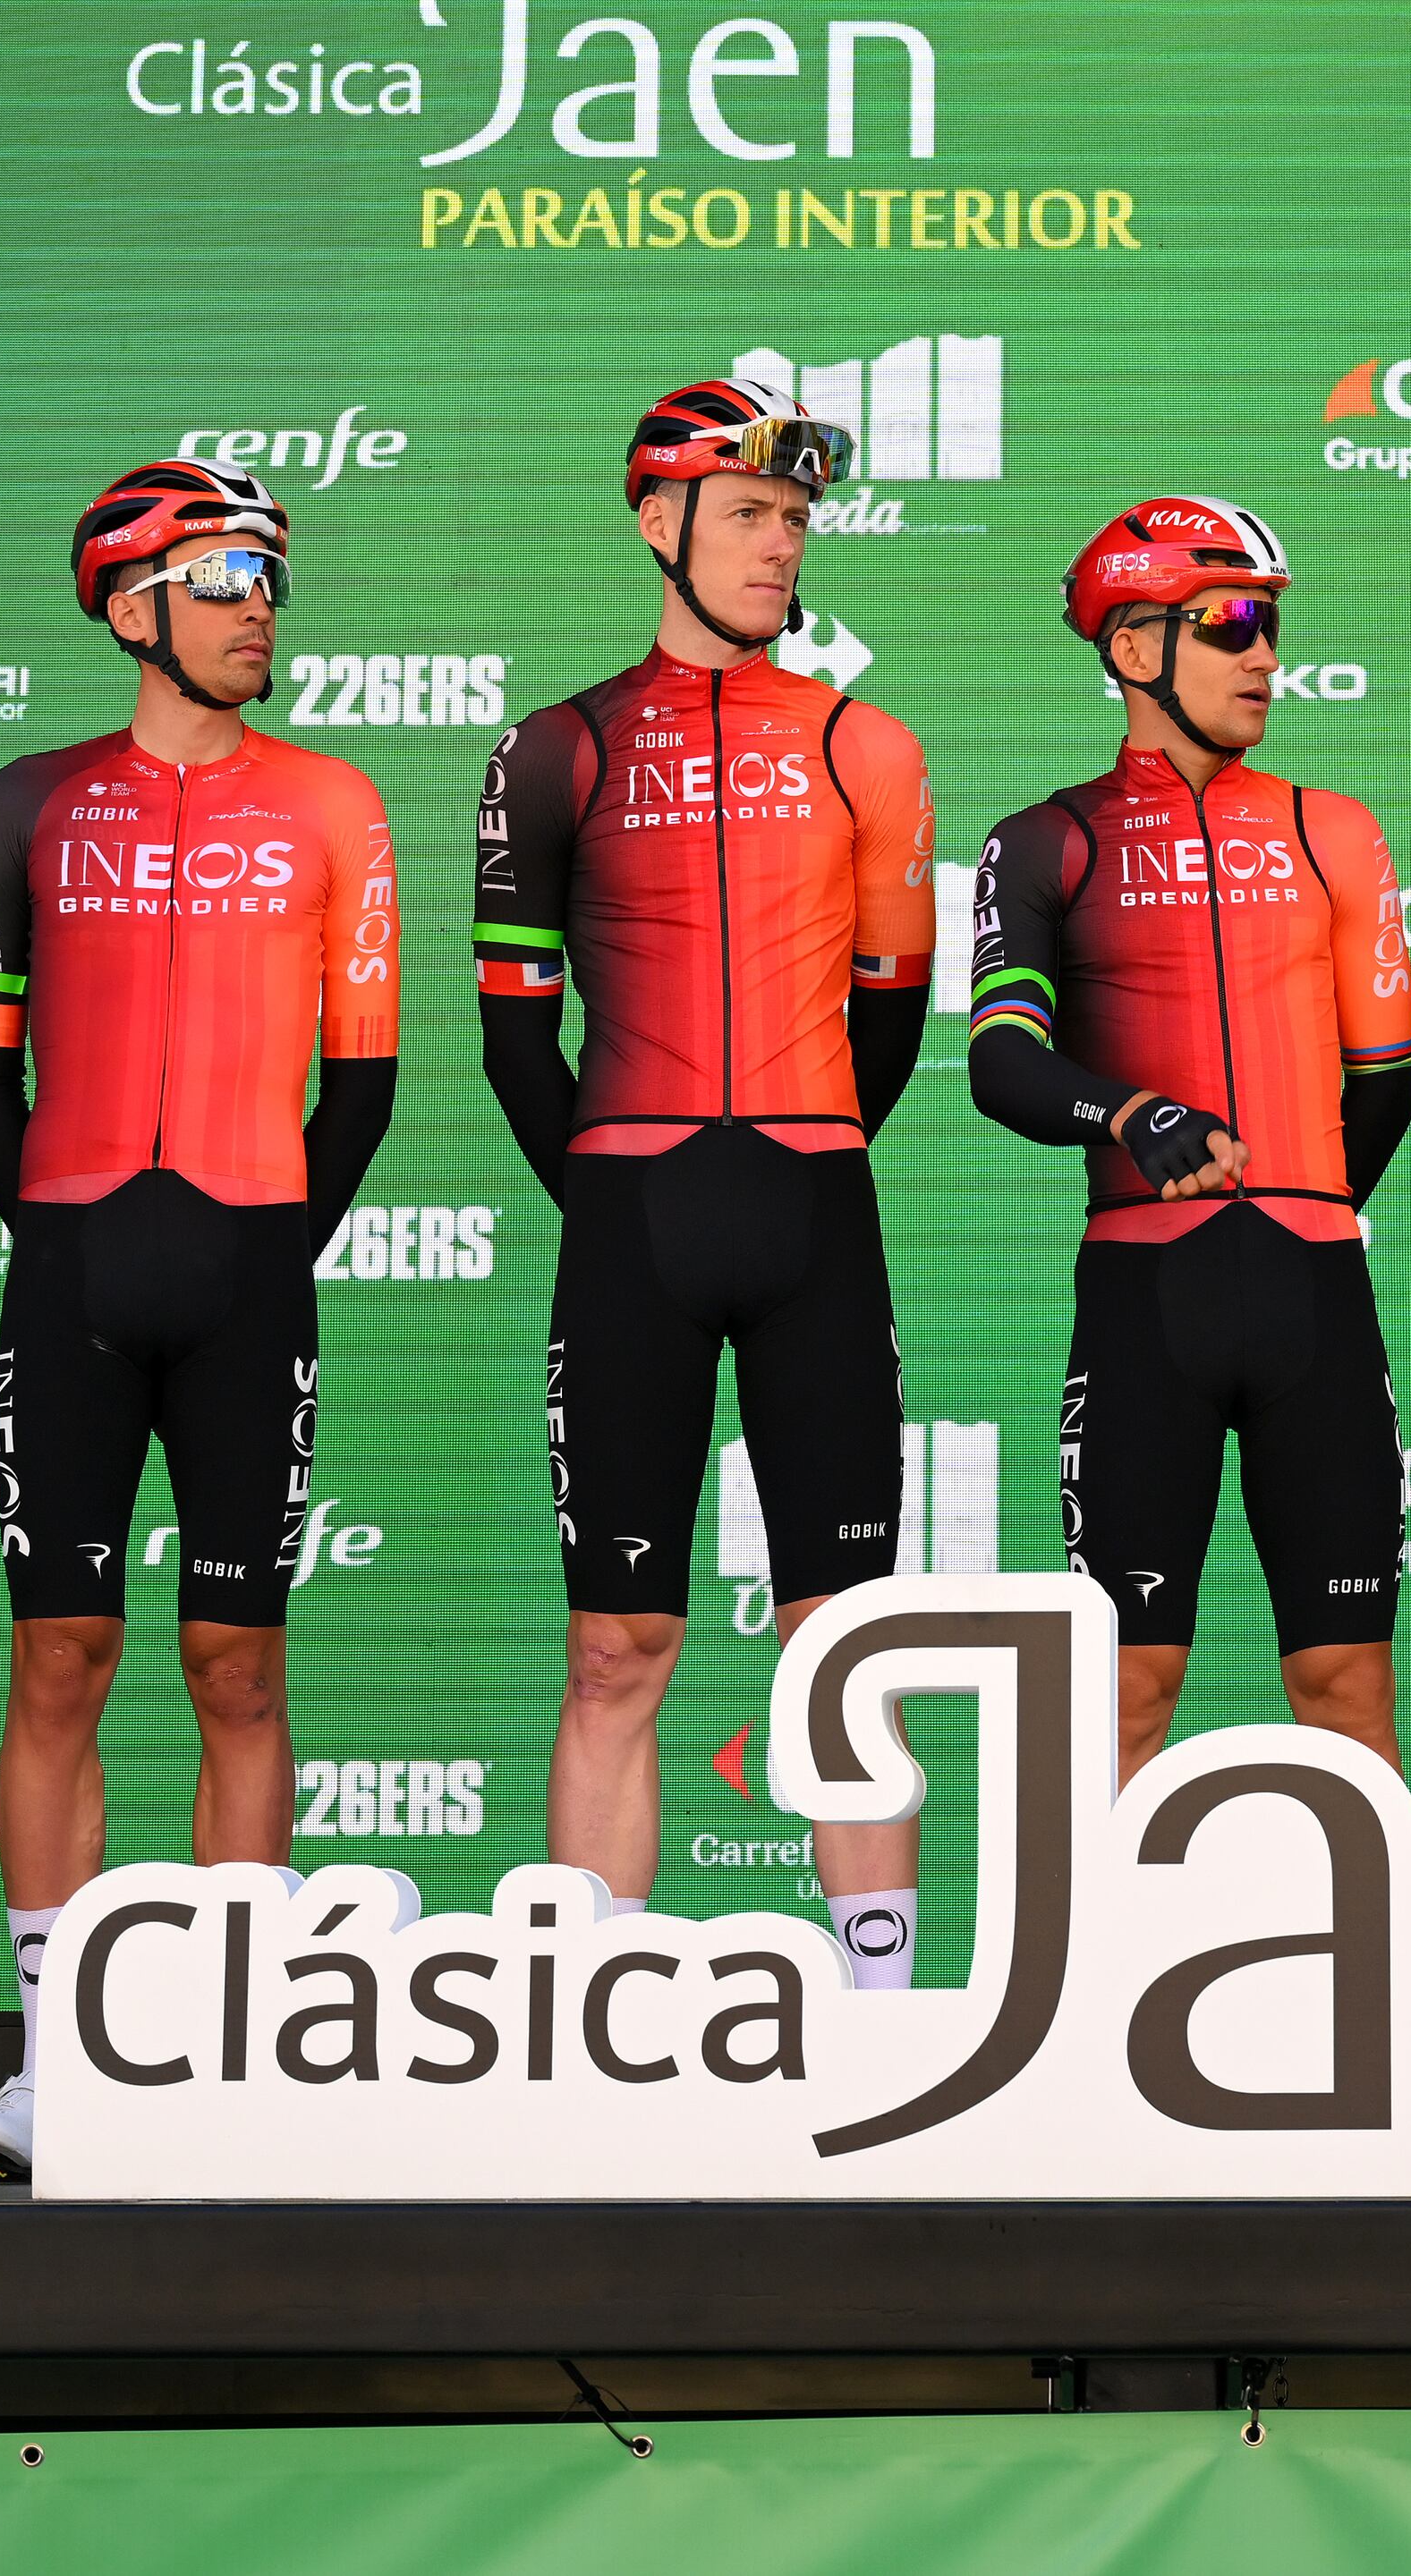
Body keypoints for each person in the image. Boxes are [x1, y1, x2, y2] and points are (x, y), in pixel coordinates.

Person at [0, 457, 400, 2182]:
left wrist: (266, 1242)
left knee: (239, 1663)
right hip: (69, 1262)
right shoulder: (28, 796)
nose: (255, 604)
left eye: (268, 574)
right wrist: (61, 1226)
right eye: (219, 577)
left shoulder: (336, 803)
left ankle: (228, 2055)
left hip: (249, 1268)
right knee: (60, 1656)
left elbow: (362, 1080)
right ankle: (58, 2067)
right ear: (129, 606)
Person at [477, 379, 936, 1982]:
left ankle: (882, 2016)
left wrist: (802, 1142)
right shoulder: (558, 747)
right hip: (632, 1216)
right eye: (748, 511)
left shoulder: (866, 743)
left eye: (796, 517)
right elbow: (515, 1037)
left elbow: (894, 1010)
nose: (780, 543)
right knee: (618, 1644)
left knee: (844, 1643)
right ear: (656, 520)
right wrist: (612, 1187)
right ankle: (597, 2012)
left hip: (814, 1206)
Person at [970, 496, 1411, 1782]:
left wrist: (1295, 1199)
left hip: (1314, 1288)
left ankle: (1373, 1980)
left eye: (1270, 625)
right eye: (1232, 623)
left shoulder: (1334, 829)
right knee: (1122, 1695)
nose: (1264, 656)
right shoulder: (1047, 837)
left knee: (1347, 1685)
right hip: (1141, 1295)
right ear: (1131, 649)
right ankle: (1094, 1983)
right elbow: (1002, 1060)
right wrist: (1131, 1115)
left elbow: (1381, 1087)